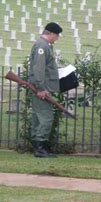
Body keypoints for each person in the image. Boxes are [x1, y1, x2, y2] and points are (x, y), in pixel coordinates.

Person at [28, 22, 63, 158]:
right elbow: (39, 69)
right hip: (42, 89)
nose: (58, 38)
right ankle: (40, 148)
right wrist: (41, 88)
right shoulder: (42, 46)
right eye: (57, 35)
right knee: (46, 118)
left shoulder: (44, 46)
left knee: (39, 117)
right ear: (51, 34)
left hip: (43, 87)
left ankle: (39, 146)